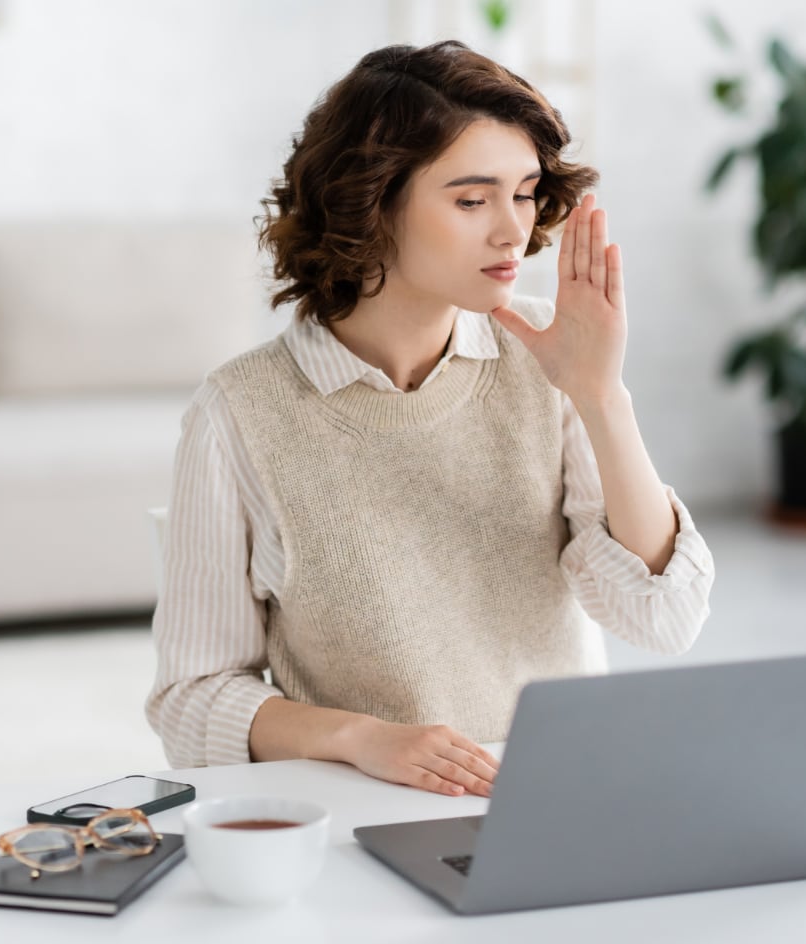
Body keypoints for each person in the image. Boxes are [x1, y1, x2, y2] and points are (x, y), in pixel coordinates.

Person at [146, 40, 715, 799]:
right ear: (368, 203)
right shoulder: (239, 414)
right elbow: (192, 699)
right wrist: (359, 738)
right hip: (366, 807)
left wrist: (600, 398)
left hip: (560, 792)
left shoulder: (551, 360)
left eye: (524, 193)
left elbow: (664, 621)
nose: (513, 231)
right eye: (472, 200)